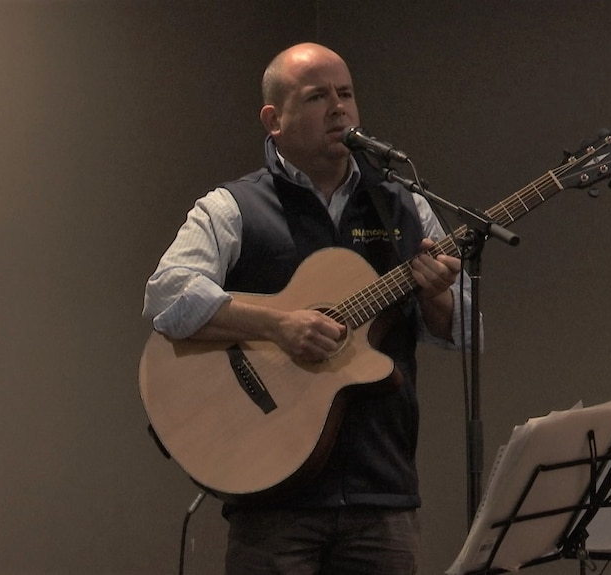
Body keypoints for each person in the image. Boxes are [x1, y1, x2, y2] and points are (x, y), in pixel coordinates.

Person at [143, 42, 472, 575]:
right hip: (272, 499)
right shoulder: (231, 208)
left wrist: (436, 291)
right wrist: (278, 324)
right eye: (318, 96)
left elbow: (461, 331)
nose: (339, 108)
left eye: (346, 94)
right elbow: (167, 295)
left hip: (382, 493)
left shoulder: (405, 204)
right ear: (274, 119)